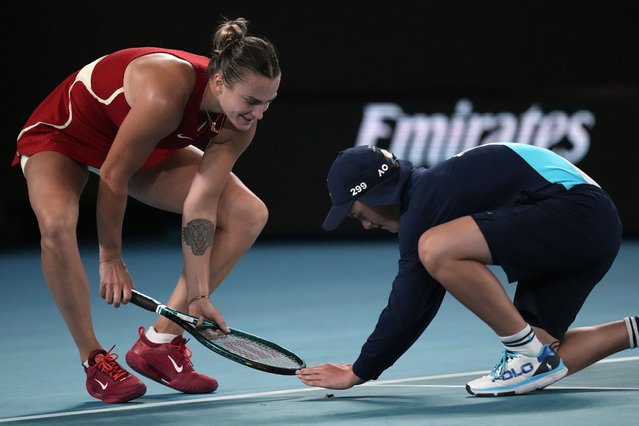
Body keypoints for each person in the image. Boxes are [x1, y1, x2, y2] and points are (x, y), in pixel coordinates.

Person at [13, 17, 280, 403]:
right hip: (65, 137)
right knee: (55, 226)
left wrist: (199, 293)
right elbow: (113, 176)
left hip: (141, 144)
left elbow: (201, 202)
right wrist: (111, 257)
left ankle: (162, 340)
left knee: (248, 214)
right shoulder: (166, 89)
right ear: (220, 83)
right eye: (252, 102)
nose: (258, 114)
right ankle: (94, 360)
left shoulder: (239, 124)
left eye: (268, 103)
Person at [295, 143, 638, 396]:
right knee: (543, 359)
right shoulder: (432, 190)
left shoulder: (426, 199)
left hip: (578, 214)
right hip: (592, 229)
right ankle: (627, 332)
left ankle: (524, 352)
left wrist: (359, 371)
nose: (366, 226)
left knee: (436, 247)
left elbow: (411, 305)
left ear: (375, 194)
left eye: (358, 214)